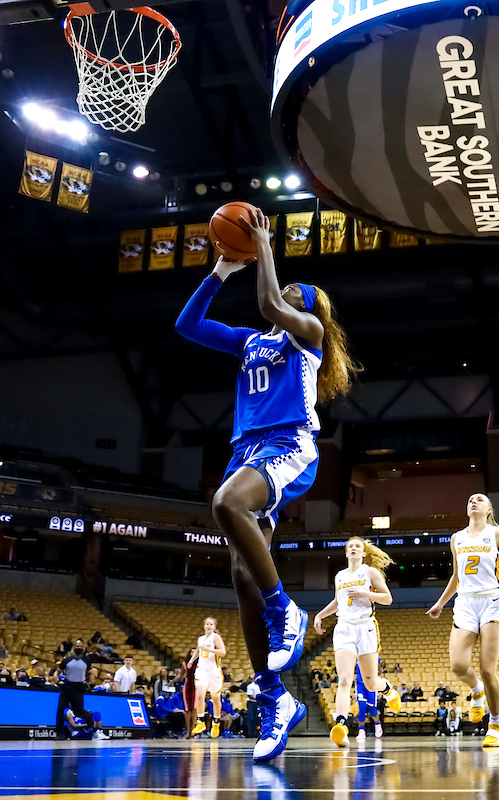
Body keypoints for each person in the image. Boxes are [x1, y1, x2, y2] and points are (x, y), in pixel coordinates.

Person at [176, 211, 358, 762]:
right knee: (239, 575)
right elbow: (187, 326)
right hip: (247, 451)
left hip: (288, 445)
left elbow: (271, 303)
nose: (288, 291)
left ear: (308, 308)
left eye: (296, 290)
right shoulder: (251, 341)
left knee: (226, 502)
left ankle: (287, 611)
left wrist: (261, 245)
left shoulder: (308, 335)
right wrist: (219, 270)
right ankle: (275, 698)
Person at [426, 493, 499, 748]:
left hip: (492, 601)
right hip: (465, 603)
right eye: (470, 499)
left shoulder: (497, 535)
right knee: (458, 666)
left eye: (479, 499)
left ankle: (495, 724)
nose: (473, 501)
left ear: (489, 508)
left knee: (487, 667)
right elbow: (457, 576)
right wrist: (440, 602)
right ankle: (477, 689)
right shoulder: (456, 538)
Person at [313, 537, 402, 747]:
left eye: (357, 546)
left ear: (363, 553)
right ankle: (341, 727)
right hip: (344, 628)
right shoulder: (340, 576)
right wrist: (320, 615)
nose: (353, 549)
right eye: (350, 546)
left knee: (371, 683)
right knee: (344, 680)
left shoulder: (370, 572)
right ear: (346, 553)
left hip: (366, 627)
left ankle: (387, 688)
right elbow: (338, 602)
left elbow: (387, 598)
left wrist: (365, 593)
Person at [188, 617, 227, 738]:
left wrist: (209, 649)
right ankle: (200, 721)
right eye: (207, 624)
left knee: (215, 699)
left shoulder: (215, 637)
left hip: (214, 672)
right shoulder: (200, 638)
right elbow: (198, 651)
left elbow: (223, 652)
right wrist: (191, 661)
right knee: (199, 695)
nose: (209, 626)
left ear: (214, 627)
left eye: (211, 624)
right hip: (201, 670)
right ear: (204, 626)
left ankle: (216, 722)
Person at [56, 640, 94, 739]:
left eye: (80, 646)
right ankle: (60, 734)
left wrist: (89, 682)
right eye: (77, 646)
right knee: (60, 710)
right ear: (74, 648)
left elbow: (89, 673)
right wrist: (58, 679)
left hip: (79, 688)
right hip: (67, 687)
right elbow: (59, 671)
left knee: (79, 711)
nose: (79, 648)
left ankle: (90, 720)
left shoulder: (86, 660)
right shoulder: (67, 660)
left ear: (83, 648)